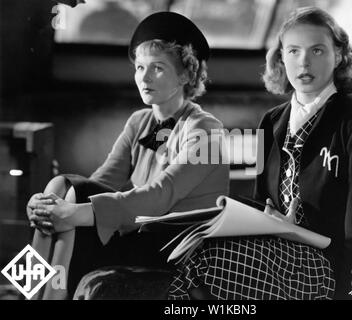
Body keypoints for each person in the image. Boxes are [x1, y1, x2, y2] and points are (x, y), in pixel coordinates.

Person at [168, 7, 352, 300]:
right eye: (293, 51)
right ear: (281, 58)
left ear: (339, 55)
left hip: (333, 266)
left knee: (212, 264)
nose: (304, 62)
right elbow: (259, 204)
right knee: (193, 254)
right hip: (280, 250)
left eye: (317, 50)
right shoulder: (272, 121)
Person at [26, 11, 229, 300]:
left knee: (71, 202)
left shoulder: (207, 130)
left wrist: (76, 212)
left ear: (186, 74)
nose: (143, 77)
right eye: (139, 67)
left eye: (157, 67)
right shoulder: (140, 122)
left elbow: (162, 195)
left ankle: (46, 297)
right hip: (140, 233)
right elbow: (99, 181)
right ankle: (35, 296)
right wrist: (48, 206)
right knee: (62, 189)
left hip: (179, 246)